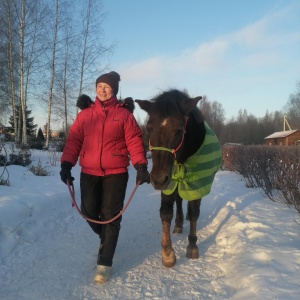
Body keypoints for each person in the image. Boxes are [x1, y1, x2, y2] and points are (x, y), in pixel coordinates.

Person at [60, 71, 150, 284]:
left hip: (116, 173)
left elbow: (134, 141)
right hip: (88, 172)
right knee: (89, 211)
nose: (102, 90)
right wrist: (66, 164)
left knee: (111, 215)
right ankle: (107, 238)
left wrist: (140, 165)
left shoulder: (124, 115)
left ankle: (104, 263)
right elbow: (74, 141)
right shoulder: (85, 115)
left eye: (106, 87)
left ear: (114, 91)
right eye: (99, 86)